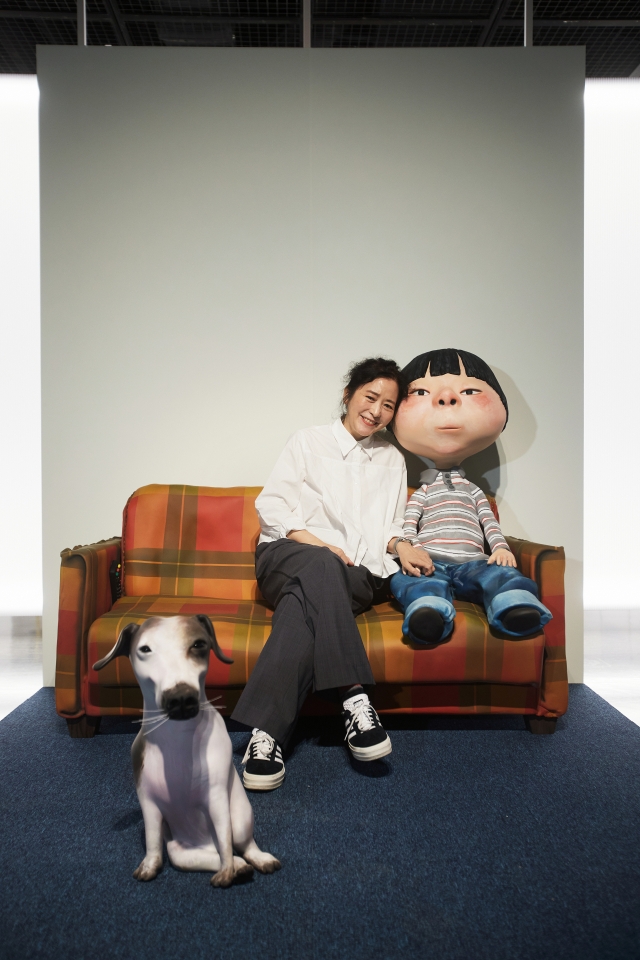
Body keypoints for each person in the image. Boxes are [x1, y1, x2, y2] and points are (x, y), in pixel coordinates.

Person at [231, 357, 409, 791]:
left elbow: (390, 526)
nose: (377, 411)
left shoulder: (392, 460)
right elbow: (272, 506)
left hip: (353, 574)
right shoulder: (307, 441)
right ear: (349, 395)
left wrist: (403, 545)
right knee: (319, 564)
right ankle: (353, 695)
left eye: (388, 405)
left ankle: (267, 734)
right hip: (287, 554)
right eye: (371, 397)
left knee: (302, 605)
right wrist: (316, 542)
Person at [388, 348, 553, 645]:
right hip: (430, 560)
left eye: (470, 390)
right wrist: (411, 550)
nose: (447, 397)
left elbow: (489, 524)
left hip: (475, 561)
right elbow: (408, 525)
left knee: (500, 574)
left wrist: (500, 548)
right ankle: (427, 613)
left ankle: (512, 604)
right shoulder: (422, 491)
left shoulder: (475, 491)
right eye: (422, 391)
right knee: (413, 581)